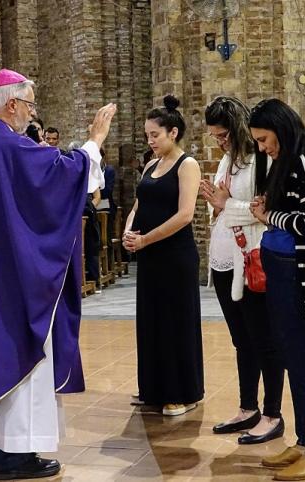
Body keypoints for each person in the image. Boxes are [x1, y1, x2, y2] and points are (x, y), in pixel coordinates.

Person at [0, 68, 116, 480]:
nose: (32, 115)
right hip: (12, 280)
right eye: (31, 105)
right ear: (13, 103)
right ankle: (15, 453)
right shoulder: (3, 146)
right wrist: (94, 142)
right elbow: (55, 177)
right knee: (20, 352)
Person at [248, 99, 305, 480]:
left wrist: (269, 215)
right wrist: (269, 206)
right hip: (281, 265)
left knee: (303, 359)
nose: (263, 147)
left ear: (281, 129)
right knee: (290, 353)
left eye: (265, 139)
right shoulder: (288, 159)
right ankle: (304, 441)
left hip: (298, 269)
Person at [199, 96, 284, 444]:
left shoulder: (262, 160)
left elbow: (263, 209)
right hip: (224, 258)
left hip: (253, 257)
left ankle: (272, 413)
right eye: (215, 137)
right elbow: (221, 207)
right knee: (241, 339)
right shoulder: (228, 161)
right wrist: (216, 207)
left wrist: (225, 204)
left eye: (223, 135)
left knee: (264, 340)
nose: (219, 142)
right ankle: (247, 406)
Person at [123, 94, 203, 417]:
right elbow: (139, 204)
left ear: (173, 133)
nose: (150, 140)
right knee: (151, 321)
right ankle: (153, 388)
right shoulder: (152, 164)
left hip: (175, 256)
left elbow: (184, 215)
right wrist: (130, 230)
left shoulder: (188, 166)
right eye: (147, 135)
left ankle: (180, 392)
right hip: (151, 257)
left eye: (155, 135)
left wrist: (145, 241)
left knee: (175, 323)